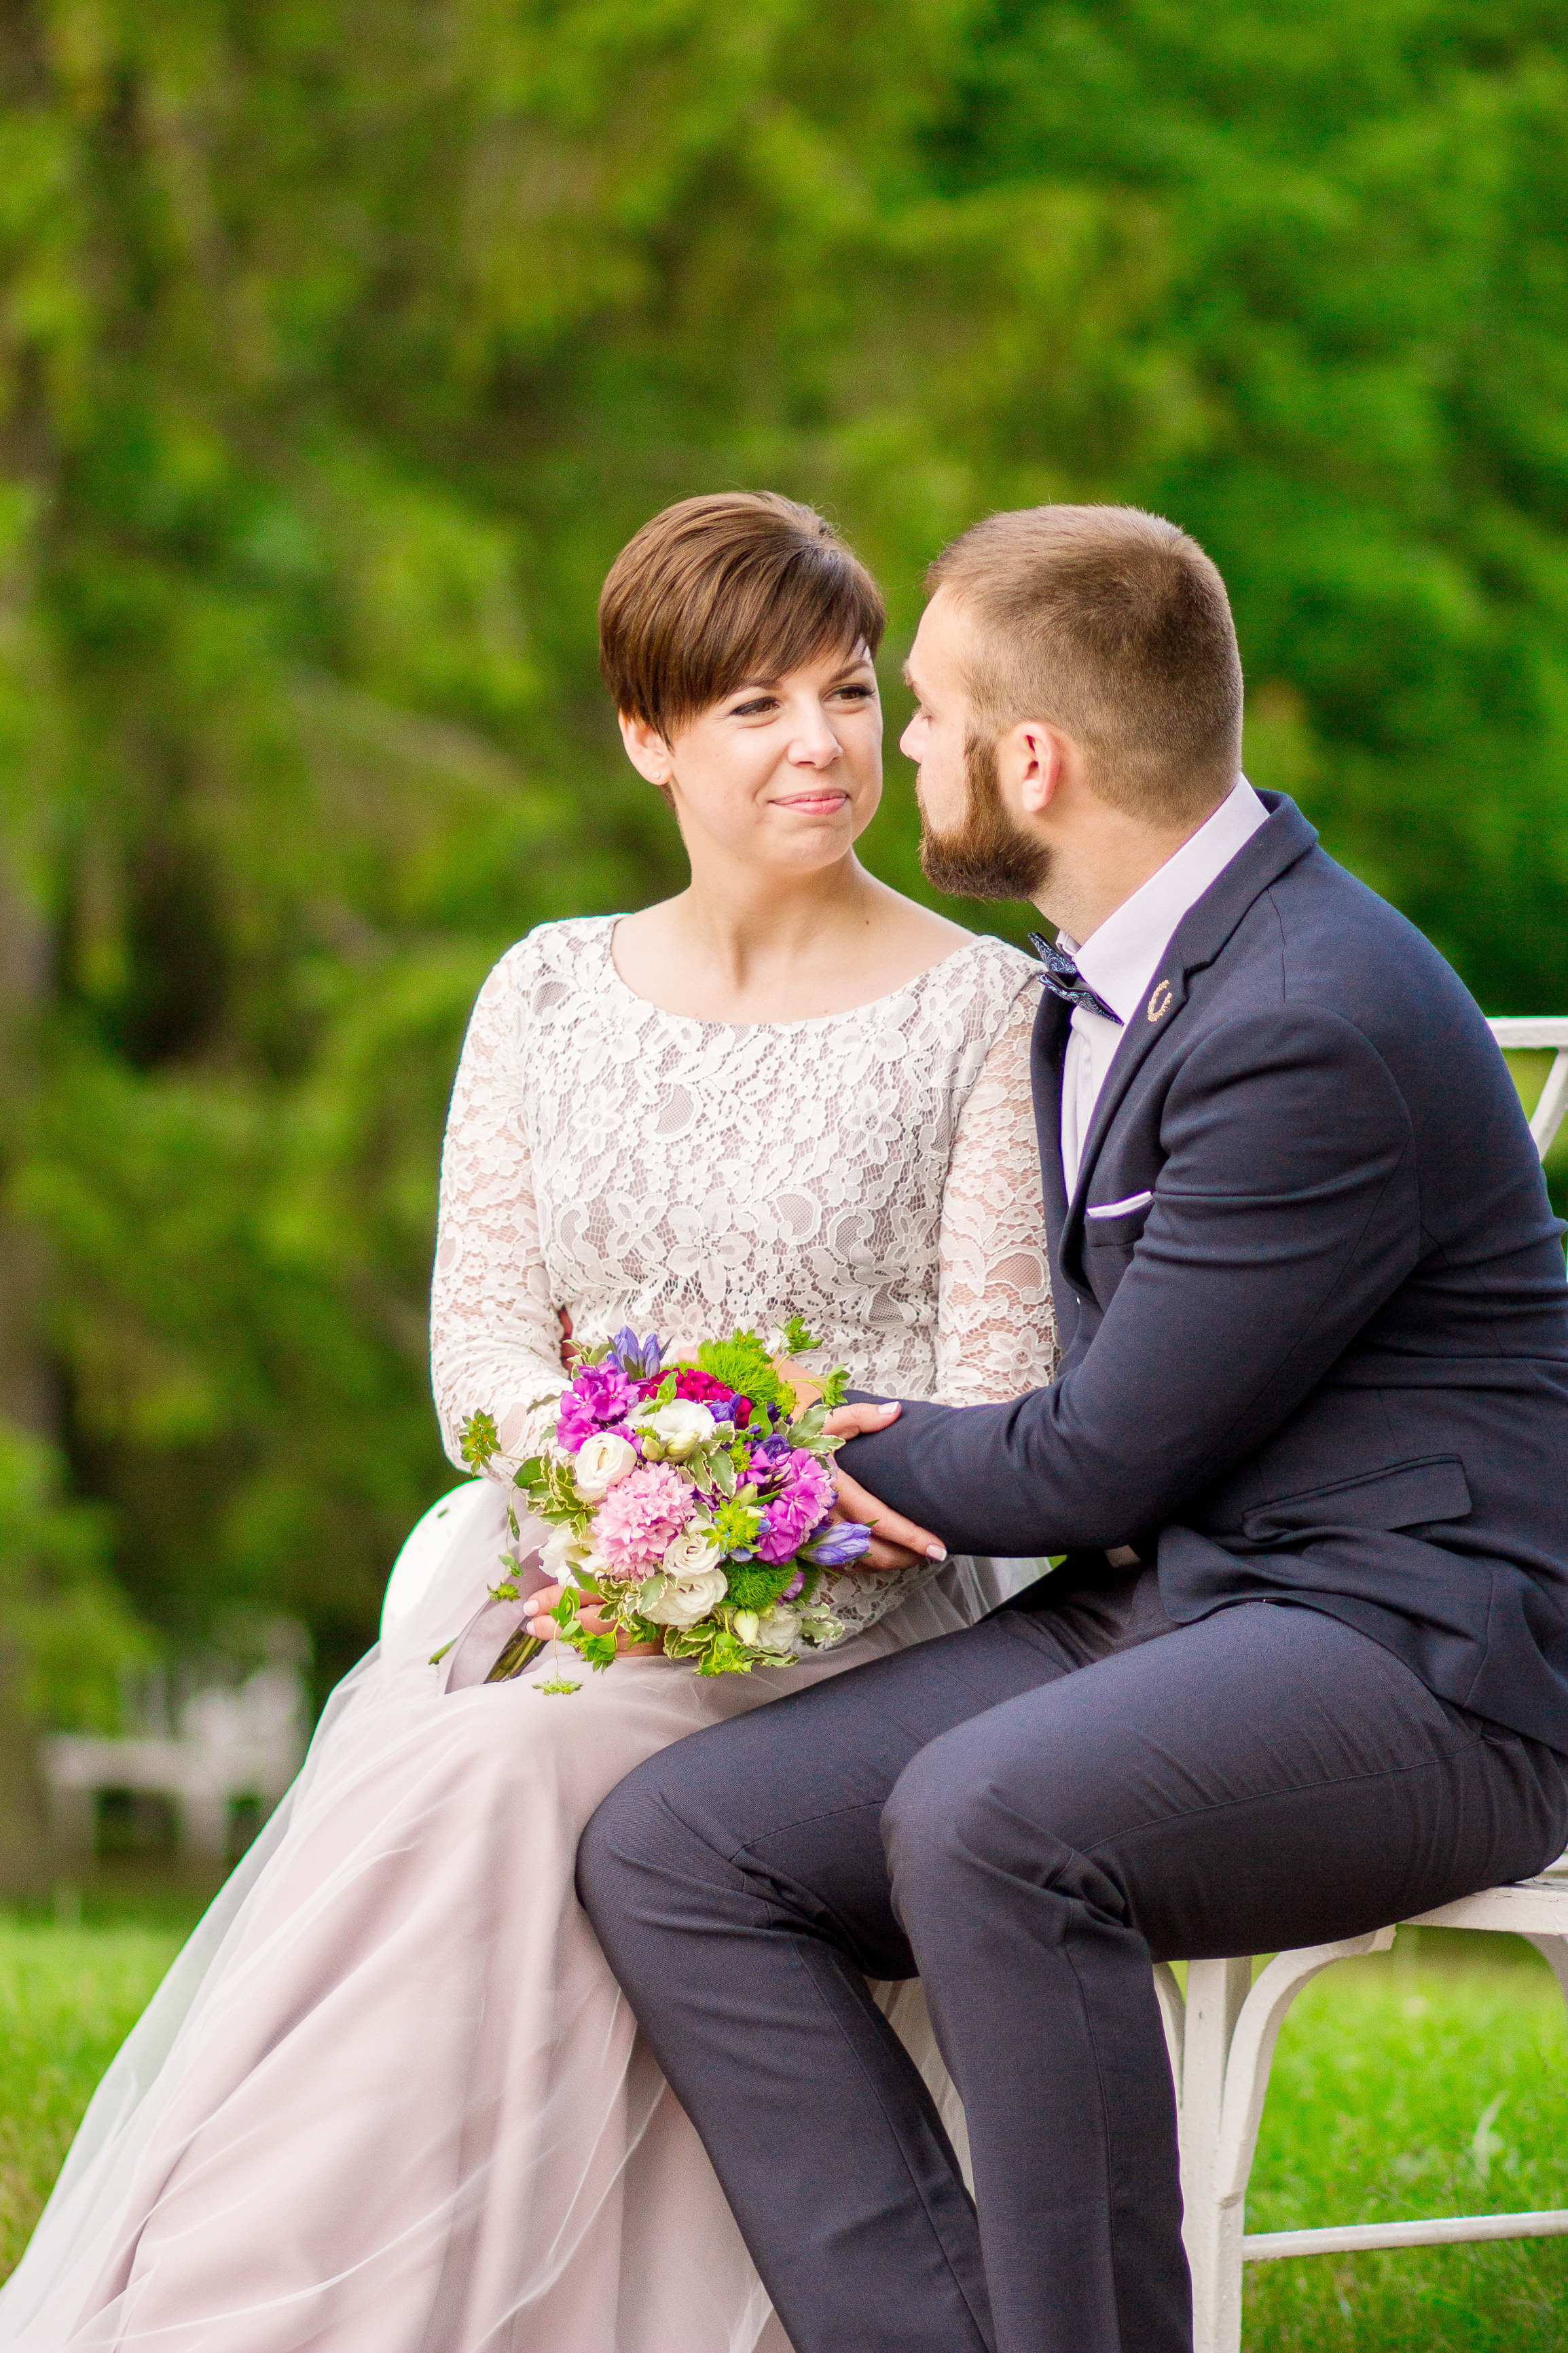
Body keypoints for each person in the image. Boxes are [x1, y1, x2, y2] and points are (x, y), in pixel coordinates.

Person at [0, 492, 1056, 2353]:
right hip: (567, 1577)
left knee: (489, 1775)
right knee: (434, 1757)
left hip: (856, 1609)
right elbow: (482, 1352)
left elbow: (999, 1389)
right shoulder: (549, 988)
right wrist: (621, 1503)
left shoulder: (983, 1012)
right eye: (752, 706)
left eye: (845, 690)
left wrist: (756, 1518)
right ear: (647, 736)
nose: (818, 746)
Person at [578, 503, 1568, 2353]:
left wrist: (784, 1452)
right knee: (679, 1850)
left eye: (926, 712)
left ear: (1033, 759)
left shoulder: (1309, 1015)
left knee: (992, 1820)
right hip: (1187, 1604)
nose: (900, 752)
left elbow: (1098, 1459)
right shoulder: (1107, 974)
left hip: (1431, 1654)